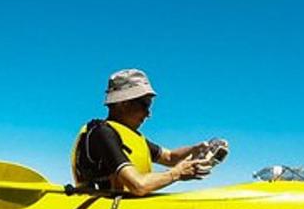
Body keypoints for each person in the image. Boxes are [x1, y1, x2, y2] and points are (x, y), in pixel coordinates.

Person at [71, 68, 226, 196]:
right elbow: (138, 186)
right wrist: (176, 174)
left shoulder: (134, 138)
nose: (148, 113)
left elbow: (170, 157)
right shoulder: (102, 133)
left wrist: (196, 149)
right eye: (145, 105)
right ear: (123, 103)